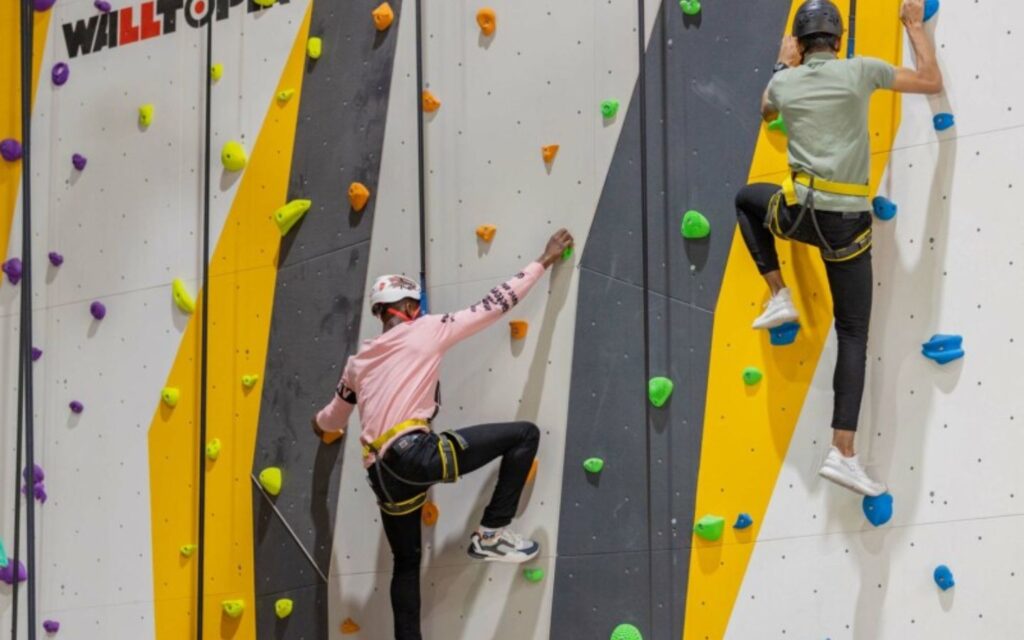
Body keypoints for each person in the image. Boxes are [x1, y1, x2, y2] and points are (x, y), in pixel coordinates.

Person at [313, 229, 574, 640]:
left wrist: (318, 425)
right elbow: (494, 305)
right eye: (414, 305)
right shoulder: (426, 330)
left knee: (406, 562)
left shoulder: (358, 363)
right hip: (415, 454)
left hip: (383, 480)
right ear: (404, 306)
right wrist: (542, 260)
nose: (417, 310)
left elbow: (331, 419)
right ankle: (491, 533)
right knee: (523, 435)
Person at [736, 0, 943, 496]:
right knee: (852, 333)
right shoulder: (860, 71)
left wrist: (781, 63)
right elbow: (928, 81)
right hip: (847, 228)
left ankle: (779, 293)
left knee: (747, 200)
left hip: (798, 215)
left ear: (800, 42)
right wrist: (914, 27)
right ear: (839, 37)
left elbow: (766, 109)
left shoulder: (784, 83)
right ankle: (842, 450)